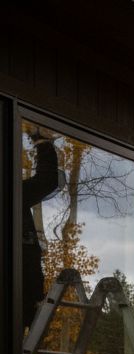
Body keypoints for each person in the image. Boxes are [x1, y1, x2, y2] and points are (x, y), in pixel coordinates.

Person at [22, 129, 63, 328]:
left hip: (24, 299)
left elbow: (46, 181)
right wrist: (42, 142)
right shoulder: (10, 193)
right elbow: (46, 181)